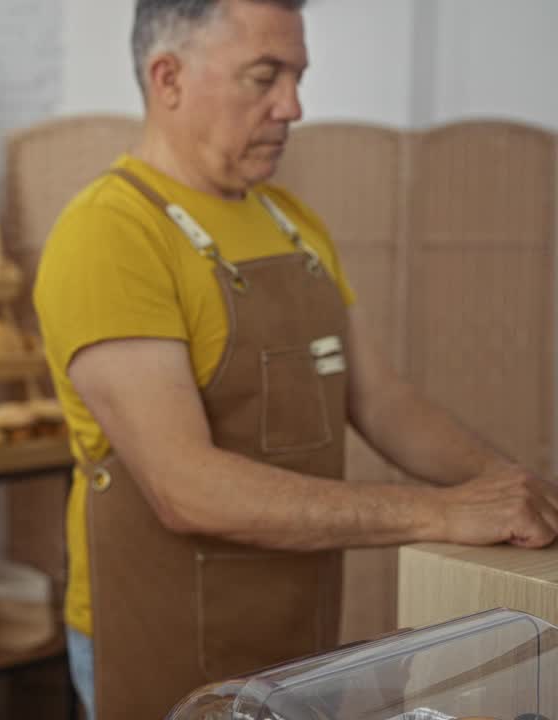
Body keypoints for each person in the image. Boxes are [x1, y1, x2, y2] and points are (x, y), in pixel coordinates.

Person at [32, 0, 558, 716]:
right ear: (168, 77)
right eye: (264, 76)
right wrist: (442, 515)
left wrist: (517, 491)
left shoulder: (289, 220)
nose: (294, 106)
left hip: (297, 642)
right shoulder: (109, 234)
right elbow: (184, 487)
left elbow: (383, 402)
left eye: (298, 75)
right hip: (162, 639)